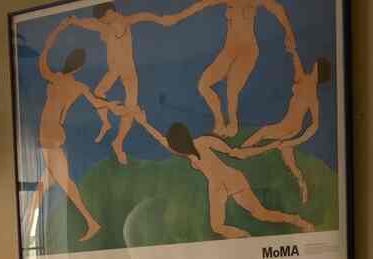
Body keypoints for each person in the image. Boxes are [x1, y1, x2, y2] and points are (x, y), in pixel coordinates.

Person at [26, 20, 129, 242]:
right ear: (79, 68)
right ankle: (29, 229)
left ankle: (91, 222)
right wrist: (112, 107)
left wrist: (55, 33)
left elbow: (42, 60)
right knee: (44, 187)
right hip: (52, 134)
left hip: (50, 135)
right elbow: (98, 102)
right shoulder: (76, 86)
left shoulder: (56, 78)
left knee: (65, 185)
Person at [137, 112, 313, 238]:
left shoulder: (203, 142)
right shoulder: (187, 152)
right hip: (216, 187)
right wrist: (144, 123)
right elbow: (162, 140)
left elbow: (235, 152)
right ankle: (245, 238)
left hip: (231, 180)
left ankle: (299, 221)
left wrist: (268, 146)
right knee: (217, 226)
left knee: (261, 214)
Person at [65, 2, 199, 164]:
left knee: (129, 108)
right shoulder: (108, 25)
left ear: (110, 13)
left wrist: (164, 19)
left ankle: (118, 142)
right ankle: (107, 124)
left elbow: (145, 16)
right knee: (99, 93)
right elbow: (94, 24)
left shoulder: (124, 21)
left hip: (128, 71)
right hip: (114, 70)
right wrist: (76, 21)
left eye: (104, 20)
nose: (103, 23)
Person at [184, 0, 296, 138]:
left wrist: (289, 33)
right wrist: (176, 17)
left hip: (247, 52)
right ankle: (219, 123)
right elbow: (201, 4)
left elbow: (277, 8)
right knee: (203, 85)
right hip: (228, 52)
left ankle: (233, 125)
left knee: (231, 90)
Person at [239, 55, 331, 203]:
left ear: (318, 70)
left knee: (263, 133)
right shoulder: (305, 80)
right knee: (289, 161)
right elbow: (298, 68)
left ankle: (239, 152)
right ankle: (303, 185)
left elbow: (315, 125)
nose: (313, 66)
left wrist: (295, 141)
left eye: (315, 65)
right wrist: (293, 52)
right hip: (288, 126)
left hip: (289, 128)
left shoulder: (312, 94)